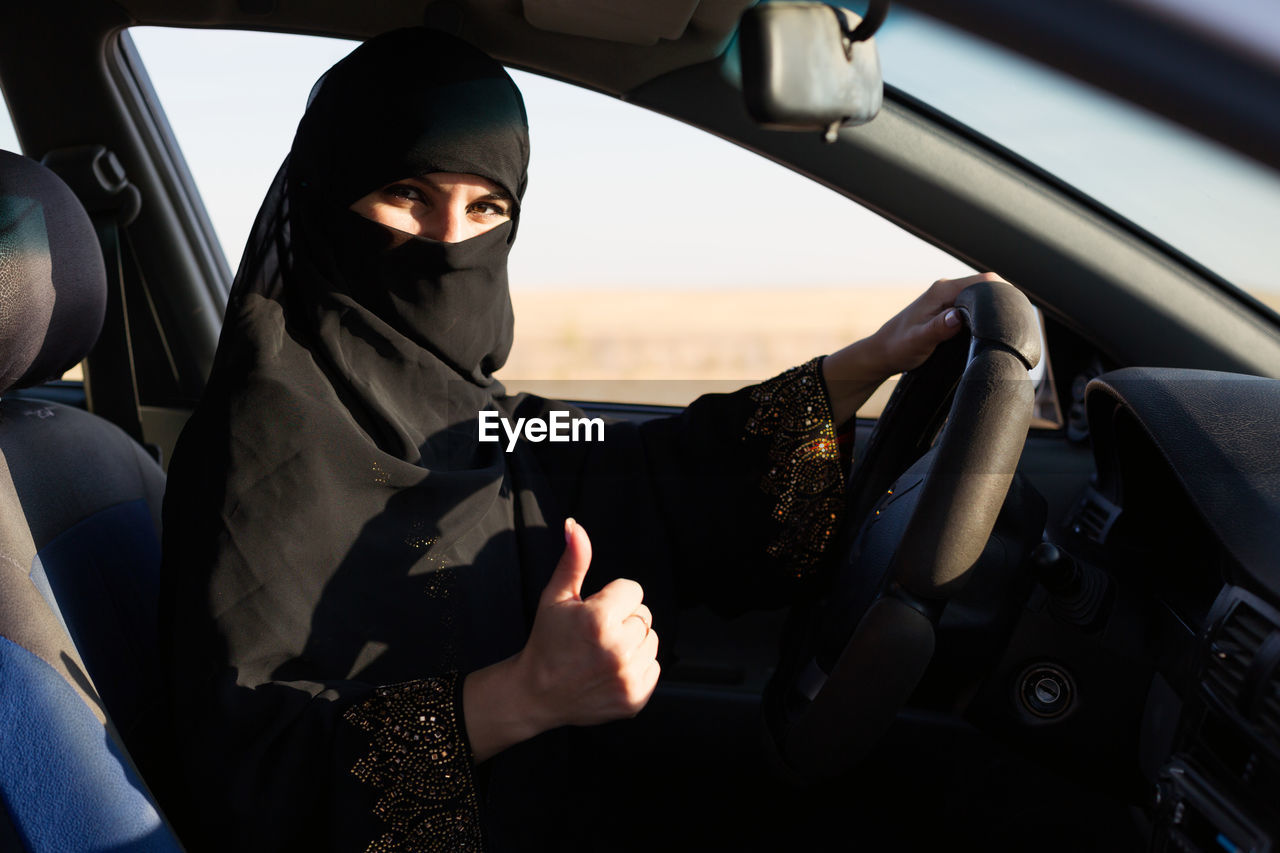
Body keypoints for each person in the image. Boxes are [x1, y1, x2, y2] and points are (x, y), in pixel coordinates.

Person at [157, 26, 996, 853]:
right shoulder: (262, 448)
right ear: (327, 198)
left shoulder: (479, 415)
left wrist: (864, 365)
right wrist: (519, 697)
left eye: (486, 205)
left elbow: (646, 468)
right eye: (410, 194)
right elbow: (251, 779)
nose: (452, 241)